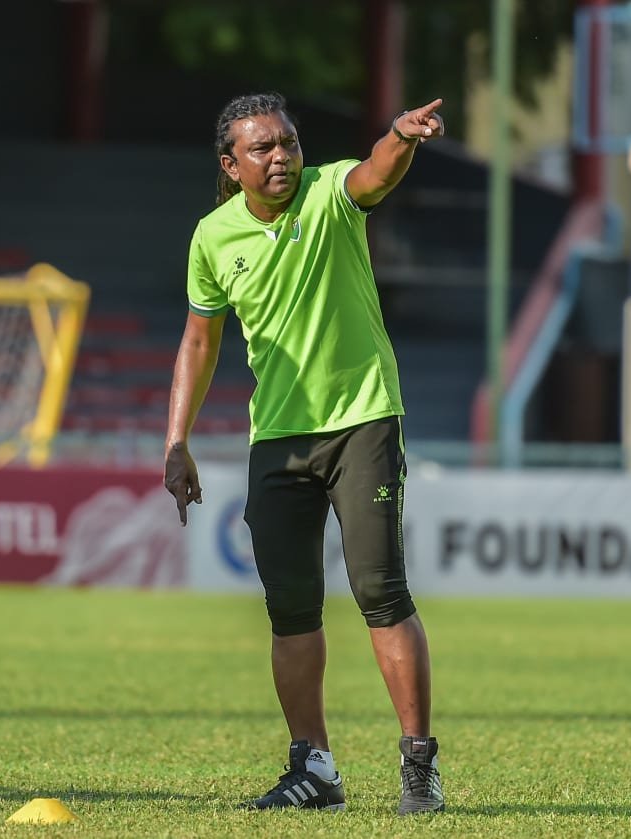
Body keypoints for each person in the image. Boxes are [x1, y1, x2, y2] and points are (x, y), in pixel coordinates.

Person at [164, 91, 446, 816]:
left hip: (363, 420)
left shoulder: (329, 192)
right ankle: (314, 770)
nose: (281, 156)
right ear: (231, 165)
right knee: (290, 610)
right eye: (262, 148)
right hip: (278, 439)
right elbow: (199, 340)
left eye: (287, 141)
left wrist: (400, 135)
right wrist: (177, 440)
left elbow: (375, 174)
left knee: (381, 592)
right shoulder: (212, 237)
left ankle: (419, 767)